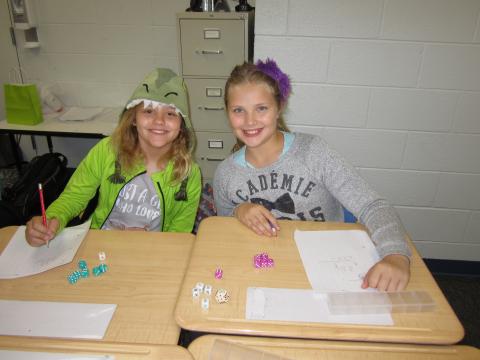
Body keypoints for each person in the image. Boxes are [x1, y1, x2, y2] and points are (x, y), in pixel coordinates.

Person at [213, 59, 411, 292]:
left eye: (261, 108)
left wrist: (396, 255)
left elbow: (372, 206)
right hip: (264, 269)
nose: (250, 121)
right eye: (238, 110)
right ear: (227, 113)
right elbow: (222, 227)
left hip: (329, 266)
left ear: (279, 108)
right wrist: (239, 210)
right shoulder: (225, 174)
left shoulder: (314, 152)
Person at [26, 68, 202, 246]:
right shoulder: (107, 151)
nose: (159, 120)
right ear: (133, 118)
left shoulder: (189, 173)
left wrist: (151, 243)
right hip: (102, 243)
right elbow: (75, 196)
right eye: (148, 111)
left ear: (182, 124)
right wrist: (51, 219)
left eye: (171, 113)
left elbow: (179, 232)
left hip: (153, 249)